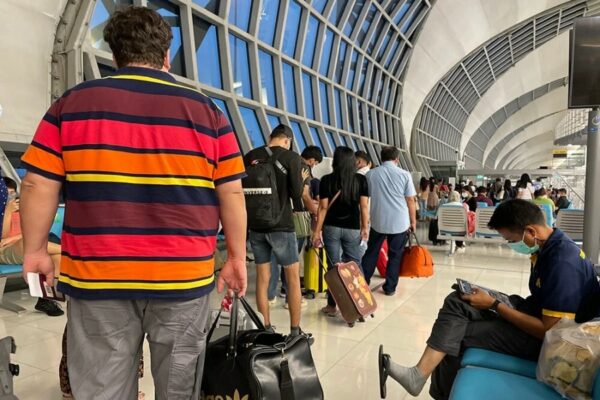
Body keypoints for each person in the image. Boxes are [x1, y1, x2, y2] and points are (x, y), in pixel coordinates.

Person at [19, 7, 248, 399]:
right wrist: (237, 257)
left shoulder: (72, 105)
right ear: (167, 54)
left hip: (97, 274)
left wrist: (35, 250)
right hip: (183, 277)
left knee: (102, 387)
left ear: (115, 52)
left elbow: (38, 182)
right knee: (178, 388)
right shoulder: (208, 113)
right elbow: (231, 192)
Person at [379, 200, 600, 399]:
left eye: (511, 239)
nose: (511, 244)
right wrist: (495, 299)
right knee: (459, 299)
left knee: (458, 336)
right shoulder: (549, 245)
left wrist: (495, 304)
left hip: (556, 342)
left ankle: (440, 394)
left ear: (531, 231)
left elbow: (548, 331)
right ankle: (418, 375)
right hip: (536, 311)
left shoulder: (563, 263)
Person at [244, 124, 306, 334]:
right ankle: (295, 331)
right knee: (292, 279)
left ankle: (266, 328)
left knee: (263, 278)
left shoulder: (251, 156)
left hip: (255, 225)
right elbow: (296, 193)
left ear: (271, 137)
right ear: (287, 140)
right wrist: (302, 179)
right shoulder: (292, 158)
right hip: (282, 226)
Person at [312, 147, 369, 316]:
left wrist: (316, 231)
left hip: (331, 229)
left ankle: (332, 306)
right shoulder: (360, 180)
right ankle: (361, 304)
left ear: (336, 161)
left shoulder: (326, 180)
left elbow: (322, 208)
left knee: (333, 267)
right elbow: (364, 206)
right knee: (355, 265)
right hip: (352, 228)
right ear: (353, 161)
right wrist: (365, 227)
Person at [0, 178, 64, 316]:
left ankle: (46, 299)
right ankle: (70, 252)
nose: (10, 199)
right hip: (5, 249)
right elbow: (3, 237)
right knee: (30, 243)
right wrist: (8, 212)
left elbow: (33, 231)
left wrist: (17, 236)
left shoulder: (22, 209)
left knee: (56, 255)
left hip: (24, 245)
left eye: (12, 194)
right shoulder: (4, 210)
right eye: (7, 195)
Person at [268, 145, 322, 307]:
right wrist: (317, 213)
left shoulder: (278, 164)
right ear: (312, 160)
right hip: (296, 218)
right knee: (291, 258)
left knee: (272, 257)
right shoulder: (302, 167)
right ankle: (289, 294)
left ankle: (270, 295)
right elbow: (304, 195)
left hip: (275, 215)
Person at [361, 147, 417, 296]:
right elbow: (410, 200)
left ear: (381, 158)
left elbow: (365, 200)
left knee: (371, 253)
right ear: (397, 159)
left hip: (378, 221)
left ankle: (364, 283)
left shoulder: (371, 174)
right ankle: (390, 287)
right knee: (395, 255)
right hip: (399, 222)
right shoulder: (405, 175)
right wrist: (413, 221)